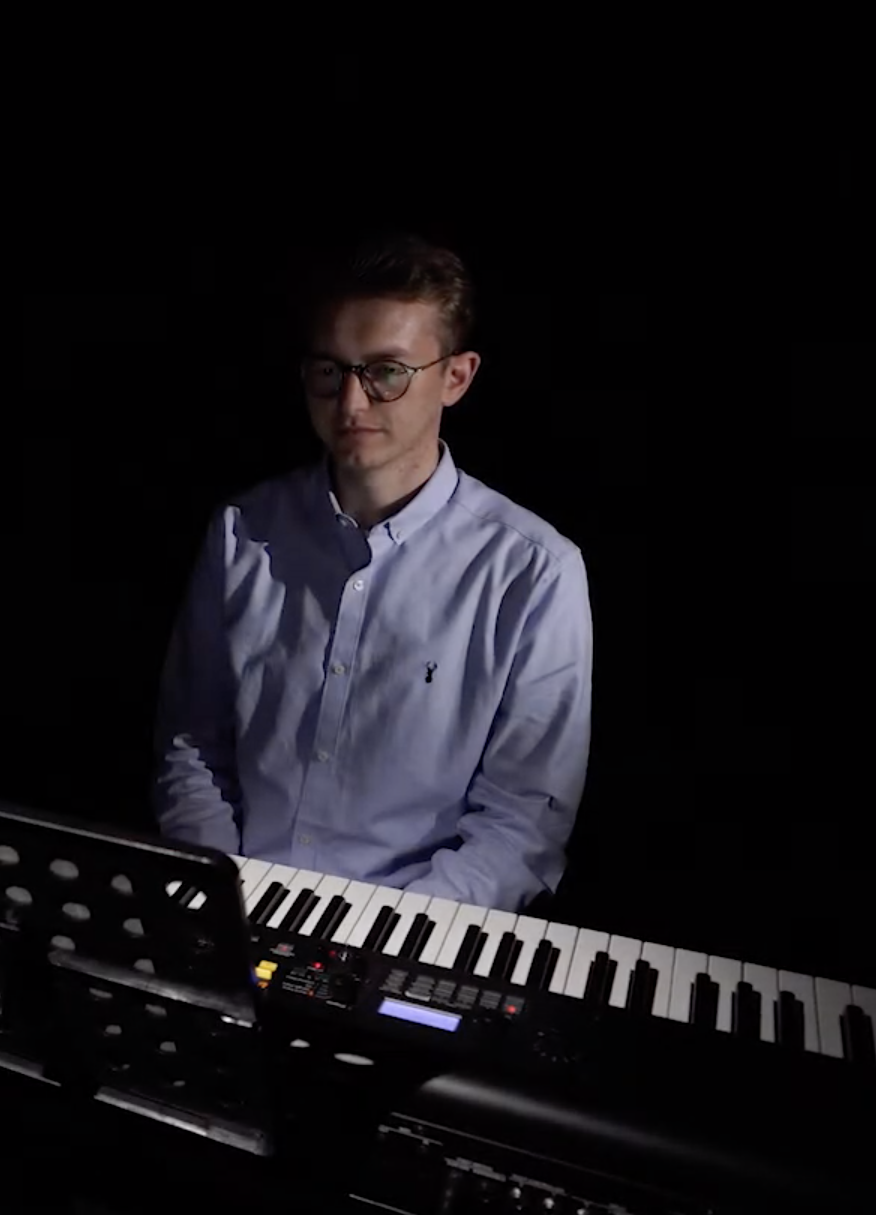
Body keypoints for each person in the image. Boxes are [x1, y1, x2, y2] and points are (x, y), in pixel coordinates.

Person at [152, 232, 592, 912]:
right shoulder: (242, 530)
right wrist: (220, 893)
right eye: (331, 371)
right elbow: (192, 746)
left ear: (456, 377)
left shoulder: (534, 570)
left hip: (416, 927)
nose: (351, 404)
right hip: (236, 905)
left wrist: (387, 931)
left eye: (386, 372)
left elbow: (521, 824)